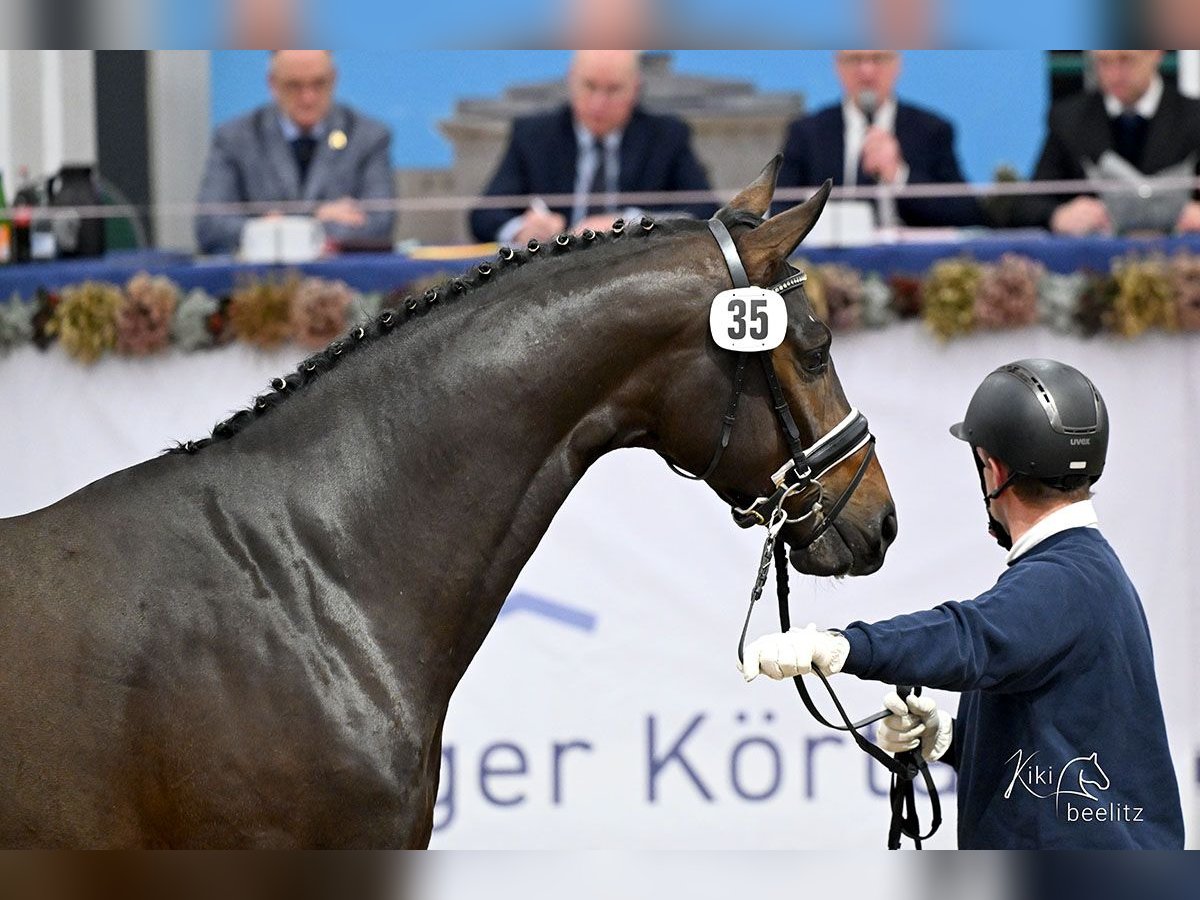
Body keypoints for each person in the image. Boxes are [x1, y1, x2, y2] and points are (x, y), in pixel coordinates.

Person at [739, 359, 1184, 850]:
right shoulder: (1086, 572)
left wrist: (841, 646)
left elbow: (967, 635)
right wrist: (952, 740)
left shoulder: (1065, 579)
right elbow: (1063, 745)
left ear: (991, 468)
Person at [468, 50, 714, 245]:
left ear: (635, 89)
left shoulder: (666, 136)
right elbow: (484, 216)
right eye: (589, 86)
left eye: (613, 89)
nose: (599, 103)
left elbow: (705, 210)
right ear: (571, 80)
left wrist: (631, 223)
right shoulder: (533, 136)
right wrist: (522, 230)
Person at [195, 50, 396, 255]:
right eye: (294, 85)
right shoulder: (235, 138)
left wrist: (272, 229)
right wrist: (315, 218)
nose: (308, 98)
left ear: (334, 79)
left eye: (319, 83)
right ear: (272, 84)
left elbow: (379, 225)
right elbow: (210, 225)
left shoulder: (368, 136)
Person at [775, 50, 985, 227]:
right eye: (854, 60)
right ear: (838, 67)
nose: (866, 72)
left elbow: (965, 212)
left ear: (897, 65)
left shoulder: (930, 130)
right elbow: (780, 212)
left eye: (878, 59)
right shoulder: (806, 133)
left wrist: (899, 175)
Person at [1014, 50, 1200, 235]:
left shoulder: (1194, 117)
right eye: (1103, 62)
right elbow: (1031, 203)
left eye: (1126, 60)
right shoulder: (1069, 120)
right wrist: (1058, 215)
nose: (1114, 73)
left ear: (1156, 54)